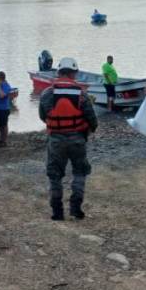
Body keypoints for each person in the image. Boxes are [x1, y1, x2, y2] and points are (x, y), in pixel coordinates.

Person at [39, 57, 98, 221]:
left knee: (55, 175)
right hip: (77, 139)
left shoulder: (47, 93)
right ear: (74, 73)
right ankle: (76, 208)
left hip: (55, 140)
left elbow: (43, 116)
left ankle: (57, 212)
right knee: (80, 172)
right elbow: (93, 119)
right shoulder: (82, 94)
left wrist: (56, 127)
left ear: (59, 72)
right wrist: (88, 130)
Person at [0, 71, 12, 147]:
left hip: (3, 109)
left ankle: (4, 141)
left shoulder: (6, 85)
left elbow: (2, 96)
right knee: (0, 125)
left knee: (4, 125)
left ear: (1, 78)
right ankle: (1, 140)